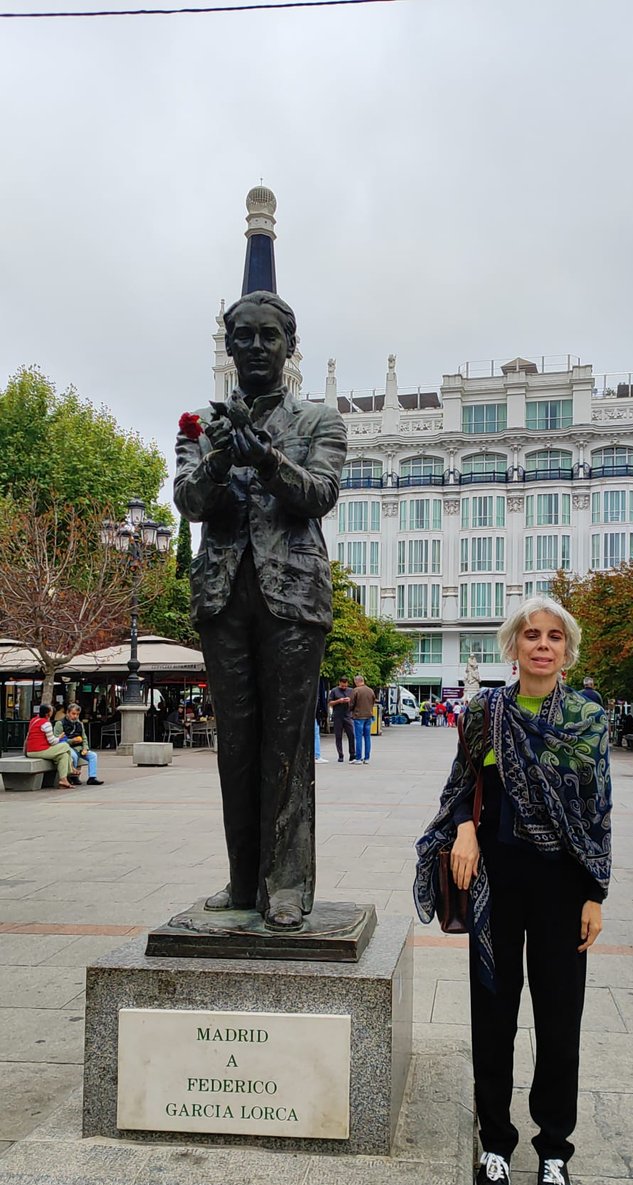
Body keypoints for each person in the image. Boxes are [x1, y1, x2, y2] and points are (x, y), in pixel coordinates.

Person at [415, 596, 611, 1185]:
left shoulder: (587, 715)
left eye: (555, 636)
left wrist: (594, 894)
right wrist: (464, 831)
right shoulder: (484, 712)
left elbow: (597, 810)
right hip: (495, 886)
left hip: (561, 887)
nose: (543, 645)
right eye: (532, 635)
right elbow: (461, 787)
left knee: (560, 1017)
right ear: (514, 645)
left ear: (567, 649)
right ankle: (495, 1144)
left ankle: (554, 1149)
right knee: (492, 1014)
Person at [174, 288, 346, 930]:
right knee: (236, 748)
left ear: (288, 346)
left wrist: (264, 457)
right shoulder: (199, 422)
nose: (252, 347)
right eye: (240, 336)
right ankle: (243, 880)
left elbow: (318, 495)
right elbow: (191, 502)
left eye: (265, 336)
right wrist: (222, 454)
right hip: (223, 598)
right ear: (228, 345)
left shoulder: (318, 422)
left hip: (294, 600)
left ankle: (287, 885)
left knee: (285, 746)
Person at [24, 704, 76, 789]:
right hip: (40, 750)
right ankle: (71, 769)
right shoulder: (46, 724)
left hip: (30, 750)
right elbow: (52, 742)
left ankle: (63, 780)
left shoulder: (34, 720)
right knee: (65, 746)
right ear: (48, 714)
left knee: (64, 755)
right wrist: (60, 737)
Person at [54, 703, 104, 785]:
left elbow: (84, 737)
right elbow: (57, 739)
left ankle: (92, 777)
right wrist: (72, 741)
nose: (75, 716)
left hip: (79, 747)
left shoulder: (79, 724)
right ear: (67, 713)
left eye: (77, 714)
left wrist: (85, 748)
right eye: (73, 714)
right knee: (73, 755)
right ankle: (73, 776)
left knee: (93, 755)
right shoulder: (60, 724)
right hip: (66, 747)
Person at [328, 677, 356, 763]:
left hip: (348, 715)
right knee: (338, 736)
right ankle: (340, 755)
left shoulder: (351, 691)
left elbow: (355, 701)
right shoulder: (334, 691)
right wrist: (339, 701)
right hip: (337, 716)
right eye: (342, 685)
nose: (344, 687)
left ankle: (352, 754)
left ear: (347, 684)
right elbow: (330, 703)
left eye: (345, 685)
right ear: (339, 683)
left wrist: (349, 700)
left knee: (351, 735)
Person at [350, 673, 376, 765]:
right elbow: (373, 702)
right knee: (367, 737)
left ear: (357, 681)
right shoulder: (370, 690)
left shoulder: (356, 690)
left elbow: (351, 704)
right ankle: (367, 758)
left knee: (358, 737)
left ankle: (358, 758)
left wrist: (350, 710)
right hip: (368, 716)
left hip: (358, 716)